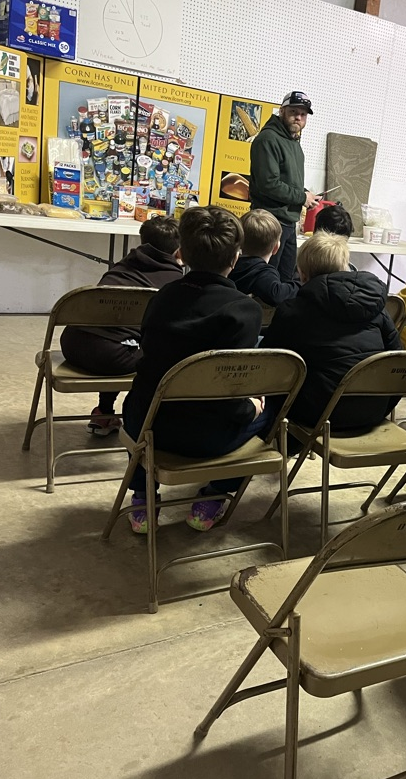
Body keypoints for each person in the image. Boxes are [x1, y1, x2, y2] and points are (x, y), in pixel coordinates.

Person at [122, 206, 267, 535]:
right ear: (236, 258)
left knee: (142, 394)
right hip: (207, 438)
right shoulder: (245, 310)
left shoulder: (162, 297)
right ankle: (213, 497)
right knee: (270, 415)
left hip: (146, 428)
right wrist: (251, 407)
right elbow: (231, 392)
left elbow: (150, 360)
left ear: (181, 253)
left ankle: (143, 496)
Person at [260, 233, 402, 433]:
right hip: (374, 411)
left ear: (303, 275)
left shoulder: (293, 310)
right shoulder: (377, 307)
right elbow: (397, 358)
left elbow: (268, 363)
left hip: (316, 414)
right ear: (344, 266)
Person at [59, 216, 183, 436]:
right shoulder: (173, 279)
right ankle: (145, 419)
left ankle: (104, 413)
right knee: (159, 352)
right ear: (179, 251)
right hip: (111, 357)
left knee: (122, 338)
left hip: (71, 343)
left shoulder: (122, 265)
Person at [249, 90, 319, 281]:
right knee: (266, 281)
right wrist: (302, 198)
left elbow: (285, 181)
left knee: (285, 279)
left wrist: (306, 195)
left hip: (288, 222)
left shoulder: (293, 141)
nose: (298, 117)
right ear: (282, 111)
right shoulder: (268, 139)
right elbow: (268, 184)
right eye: (294, 112)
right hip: (271, 222)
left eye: (303, 114)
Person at [229, 208, 300, 306]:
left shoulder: (231, 262)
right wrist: (301, 284)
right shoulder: (262, 272)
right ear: (276, 248)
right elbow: (277, 295)